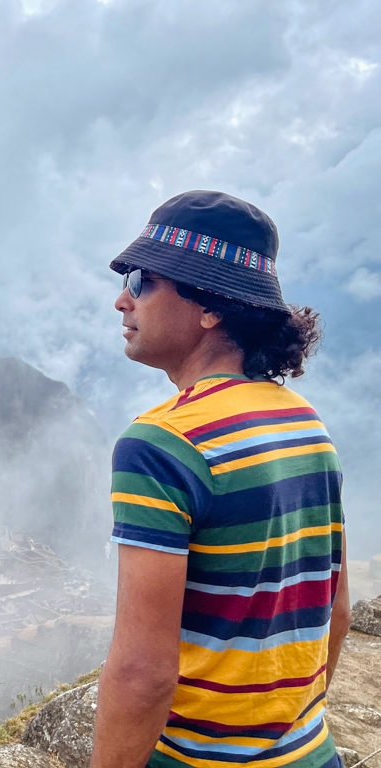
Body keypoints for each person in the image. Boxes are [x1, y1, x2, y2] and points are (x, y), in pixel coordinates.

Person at [90, 191, 352, 768]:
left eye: (141, 281)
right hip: (312, 752)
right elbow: (336, 612)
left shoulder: (162, 445)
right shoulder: (305, 421)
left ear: (210, 305)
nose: (121, 301)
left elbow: (142, 671)